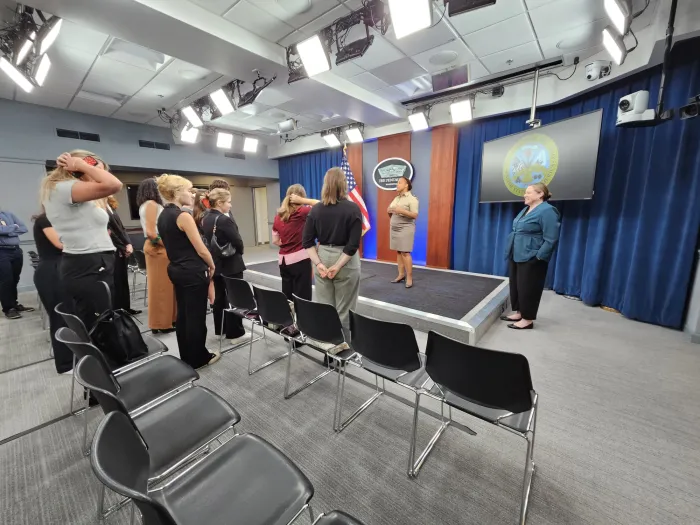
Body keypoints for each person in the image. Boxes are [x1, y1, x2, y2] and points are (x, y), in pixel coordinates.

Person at [42, 151, 122, 329]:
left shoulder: (72, 191)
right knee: (100, 326)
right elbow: (114, 184)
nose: (98, 178)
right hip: (88, 264)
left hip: (93, 262)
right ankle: (105, 357)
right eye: (96, 172)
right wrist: (82, 164)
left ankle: (107, 355)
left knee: (103, 321)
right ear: (76, 169)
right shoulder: (63, 188)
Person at [156, 174, 219, 369]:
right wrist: (212, 264)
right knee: (196, 317)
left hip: (177, 269)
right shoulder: (183, 216)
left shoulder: (163, 215)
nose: (192, 194)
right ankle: (198, 357)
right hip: (193, 271)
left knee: (184, 315)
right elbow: (201, 249)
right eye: (188, 190)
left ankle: (187, 355)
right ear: (176, 193)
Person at [302, 167, 363, 342]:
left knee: (325, 307)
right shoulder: (353, 209)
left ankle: (328, 347)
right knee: (345, 309)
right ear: (343, 184)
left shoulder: (316, 210)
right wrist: (337, 266)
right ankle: (343, 350)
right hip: (345, 260)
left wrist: (319, 265)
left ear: (325, 185)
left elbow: (307, 242)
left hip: (320, 256)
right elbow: (352, 245)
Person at [501, 182, 561, 330]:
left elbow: (551, 238)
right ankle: (520, 312)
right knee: (517, 285)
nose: (524, 195)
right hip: (517, 253)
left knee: (529, 288)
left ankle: (527, 320)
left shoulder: (547, 211)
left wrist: (539, 257)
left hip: (532, 256)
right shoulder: (526, 209)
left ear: (540, 194)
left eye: (528, 192)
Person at [202, 188, 246, 341]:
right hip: (231, 264)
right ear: (219, 203)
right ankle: (235, 332)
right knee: (235, 298)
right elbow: (237, 241)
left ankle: (221, 328)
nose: (230, 205)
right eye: (228, 202)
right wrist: (241, 251)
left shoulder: (205, 217)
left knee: (220, 297)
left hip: (216, 263)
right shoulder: (224, 219)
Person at [32, 211, 71, 373]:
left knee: (68, 316)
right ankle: (65, 364)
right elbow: (60, 244)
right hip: (52, 272)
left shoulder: (57, 218)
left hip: (60, 269)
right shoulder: (45, 219)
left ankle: (72, 356)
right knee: (60, 318)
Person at [137, 178, 176, 334]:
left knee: (164, 287)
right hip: (158, 247)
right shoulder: (152, 205)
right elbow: (152, 232)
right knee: (161, 288)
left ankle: (166, 320)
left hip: (157, 247)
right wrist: (169, 245)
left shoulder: (146, 205)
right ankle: (161, 324)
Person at [273, 184, 314, 302]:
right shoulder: (303, 211)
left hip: (283, 261)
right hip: (300, 261)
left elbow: (275, 240)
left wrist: (287, 243)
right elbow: (321, 205)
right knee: (303, 297)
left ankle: (290, 320)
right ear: (300, 197)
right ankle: (302, 320)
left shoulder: (278, 216)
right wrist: (303, 201)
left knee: (287, 297)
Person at [106, 196, 140, 315]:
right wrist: (122, 246)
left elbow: (121, 229)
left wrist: (129, 243)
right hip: (114, 249)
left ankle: (125, 307)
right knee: (116, 281)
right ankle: (118, 310)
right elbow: (110, 232)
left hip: (122, 246)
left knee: (123, 280)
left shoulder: (110, 208)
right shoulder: (101, 209)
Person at [0, 208, 33, 319]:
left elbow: (23, 228)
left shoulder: (8, 214)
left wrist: (6, 230)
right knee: (6, 280)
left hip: (16, 250)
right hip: (2, 251)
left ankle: (14, 304)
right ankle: (8, 309)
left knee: (15, 279)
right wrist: (14, 227)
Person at [387, 176, 419, 289]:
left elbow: (415, 215)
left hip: (405, 227)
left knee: (405, 252)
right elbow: (391, 210)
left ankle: (409, 278)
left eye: (400, 182)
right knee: (399, 252)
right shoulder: (397, 198)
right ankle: (401, 275)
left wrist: (401, 211)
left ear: (406, 185)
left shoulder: (412, 199)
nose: (397, 184)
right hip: (395, 227)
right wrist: (390, 211)